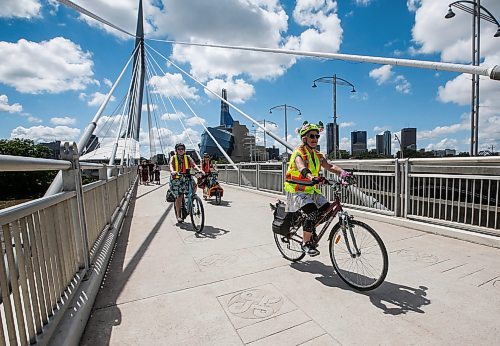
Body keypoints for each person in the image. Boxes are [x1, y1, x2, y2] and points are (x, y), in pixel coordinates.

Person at [284, 121, 350, 256]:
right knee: (313, 213)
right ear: (304, 138)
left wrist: (344, 173)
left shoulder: (317, 155)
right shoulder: (299, 152)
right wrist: (310, 176)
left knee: (328, 211)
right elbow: (301, 166)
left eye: (317, 136)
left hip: (310, 190)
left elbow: (330, 166)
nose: (315, 139)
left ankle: (308, 226)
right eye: (311, 136)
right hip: (296, 190)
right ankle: (306, 244)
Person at [169, 143, 204, 223]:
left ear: (184, 150)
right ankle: (178, 215)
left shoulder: (188, 157)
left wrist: (199, 170)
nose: (181, 150)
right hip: (177, 179)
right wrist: (173, 171)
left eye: (182, 149)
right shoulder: (173, 158)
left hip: (187, 177)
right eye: (179, 149)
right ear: (176, 151)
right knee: (179, 196)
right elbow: (170, 164)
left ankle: (190, 200)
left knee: (194, 186)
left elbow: (194, 165)